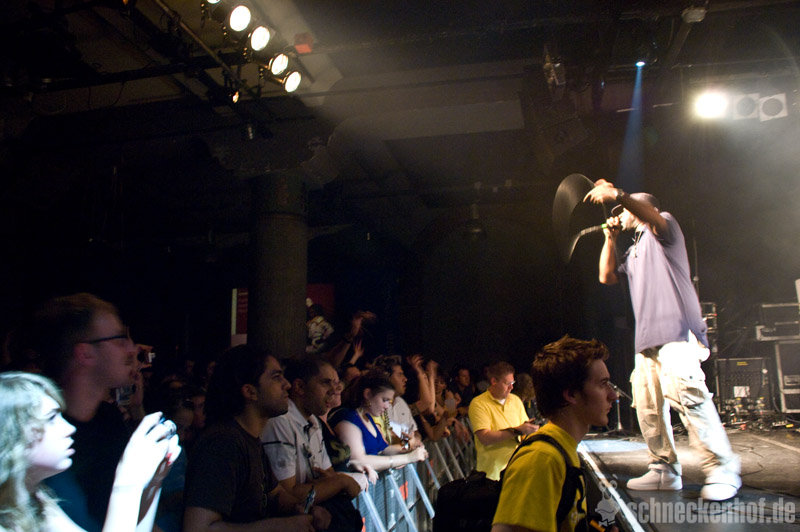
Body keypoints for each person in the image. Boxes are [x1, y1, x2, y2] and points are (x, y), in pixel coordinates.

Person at [585, 179, 741, 501]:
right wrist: (610, 238)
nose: (619, 214)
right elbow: (606, 276)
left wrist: (617, 194)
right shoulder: (635, 250)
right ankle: (663, 469)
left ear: (645, 208)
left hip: (676, 331)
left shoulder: (664, 227)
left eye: (625, 209)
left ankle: (722, 468)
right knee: (648, 405)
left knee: (688, 396)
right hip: (647, 339)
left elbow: (650, 216)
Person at [10, 293, 151, 531]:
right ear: (85, 354)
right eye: (119, 339)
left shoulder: (110, 420)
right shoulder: (40, 441)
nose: (131, 348)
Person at [0, 371, 180, 532]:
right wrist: (126, 482)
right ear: (13, 435)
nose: (69, 428)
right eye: (51, 418)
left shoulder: (37, 500)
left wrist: (152, 482)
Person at [183, 345, 329, 532]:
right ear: (250, 391)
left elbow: (274, 494)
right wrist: (282, 526)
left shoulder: (250, 440)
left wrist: (304, 509)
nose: (287, 384)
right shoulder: (222, 444)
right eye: (276, 377)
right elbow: (198, 528)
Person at [492, 336, 619, 532]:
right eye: (603, 384)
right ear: (571, 394)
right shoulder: (542, 459)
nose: (613, 395)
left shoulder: (562, 451)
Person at [261, 356, 365, 532]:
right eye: (326, 383)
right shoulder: (280, 421)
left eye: (335, 383)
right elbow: (288, 494)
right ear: (300, 387)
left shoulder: (314, 422)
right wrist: (341, 482)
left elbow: (328, 475)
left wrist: (328, 484)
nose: (334, 390)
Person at [332, 370, 428, 474]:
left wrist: (408, 446)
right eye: (384, 400)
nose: (387, 406)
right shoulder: (347, 418)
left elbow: (384, 450)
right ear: (367, 394)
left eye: (389, 402)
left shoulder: (368, 418)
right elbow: (359, 460)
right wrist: (408, 458)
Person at [468, 361, 539, 480]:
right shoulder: (478, 404)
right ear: (494, 381)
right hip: (492, 475)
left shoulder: (515, 400)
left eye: (513, 383)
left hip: (518, 469)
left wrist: (530, 430)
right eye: (507, 383)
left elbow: (524, 431)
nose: (511, 387)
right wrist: (517, 431)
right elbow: (485, 438)